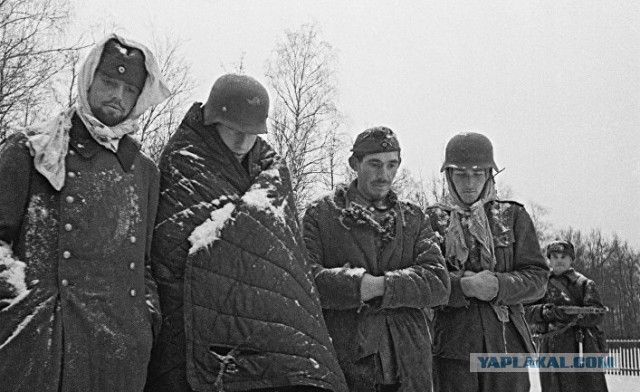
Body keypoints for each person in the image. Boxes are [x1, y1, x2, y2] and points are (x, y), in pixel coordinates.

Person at [145, 73, 347, 392]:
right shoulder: (183, 162)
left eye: (251, 133)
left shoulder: (272, 172)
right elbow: (171, 248)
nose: (242, 142)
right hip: (188, 323)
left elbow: (287, 259)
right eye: (234, 129)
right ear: (212, 121)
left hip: (258, 333)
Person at [0, 34, 170, 391]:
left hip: (118, 350)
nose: (117, 96)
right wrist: (19, 303)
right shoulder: (33, 149)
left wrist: (144, 318)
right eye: (109, 83)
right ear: (89, 79)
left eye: (128, 89)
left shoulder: (143, 170)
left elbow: (145, 263)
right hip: (41, 344)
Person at [302, 126, 451, 392]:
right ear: (354, 164)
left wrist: (380, 286)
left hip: (409, 363)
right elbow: (306, 280)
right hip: (347, 360)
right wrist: (356, 285)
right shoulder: (321, 215)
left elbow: (438, 283)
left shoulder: (414, 218)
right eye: (374, 164)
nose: (384, 175)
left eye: (391, 165)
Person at [426, 132, 549, 392]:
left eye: (477, 174)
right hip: (452, 349)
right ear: (448, 176)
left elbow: (538, 279)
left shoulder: (513, 215)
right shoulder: (431, 221)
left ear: (489, 175)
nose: (469, 183)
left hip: (506, 346)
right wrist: (464, 287)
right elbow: (424, 282)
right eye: (460, 174)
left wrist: (500, 286)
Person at [525, 240, 609, 392]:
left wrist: (571, 316)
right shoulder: (541, 285)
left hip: (580, 346)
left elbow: (597, 314)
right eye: (555, 256)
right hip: (549, 347)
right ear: (549, 259)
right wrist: (545, 311)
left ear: (571, 259)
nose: (559, 261)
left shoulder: (584, 284)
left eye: (563, 257)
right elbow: (526, 312)